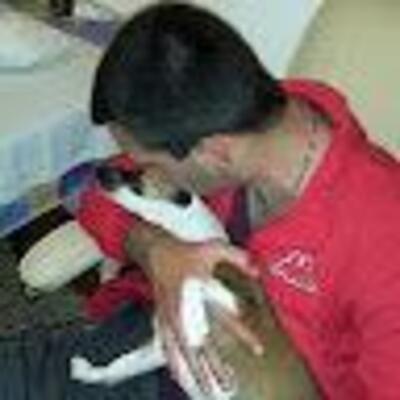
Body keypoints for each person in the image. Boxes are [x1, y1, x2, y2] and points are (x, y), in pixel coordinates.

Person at [77, 3, 400, 399]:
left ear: (215, 152)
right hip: (147, 341)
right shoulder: (221, 114)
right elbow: (95, 193)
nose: (143, 171)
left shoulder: (384, 240)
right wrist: (157, 252)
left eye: (150, 164)